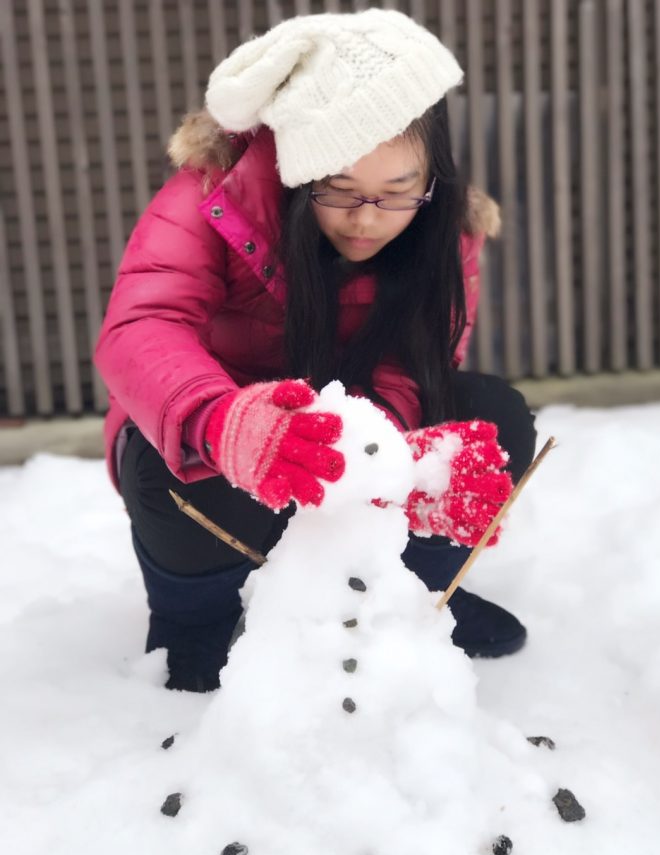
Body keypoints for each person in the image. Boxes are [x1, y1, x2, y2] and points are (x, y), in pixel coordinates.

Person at [94, 8, 537, 693]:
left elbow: (418, 364)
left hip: (341, 441)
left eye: (397, 194)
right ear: (301, 170)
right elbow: (142, 326)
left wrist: (388, 462)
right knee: (163, 460)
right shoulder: (216, 198)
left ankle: (409, 596)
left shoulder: (446, 229)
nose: (367, 220)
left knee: (486, 418)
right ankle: (193, 620)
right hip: (234, 449)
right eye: (340, 190)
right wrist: (223, 422)